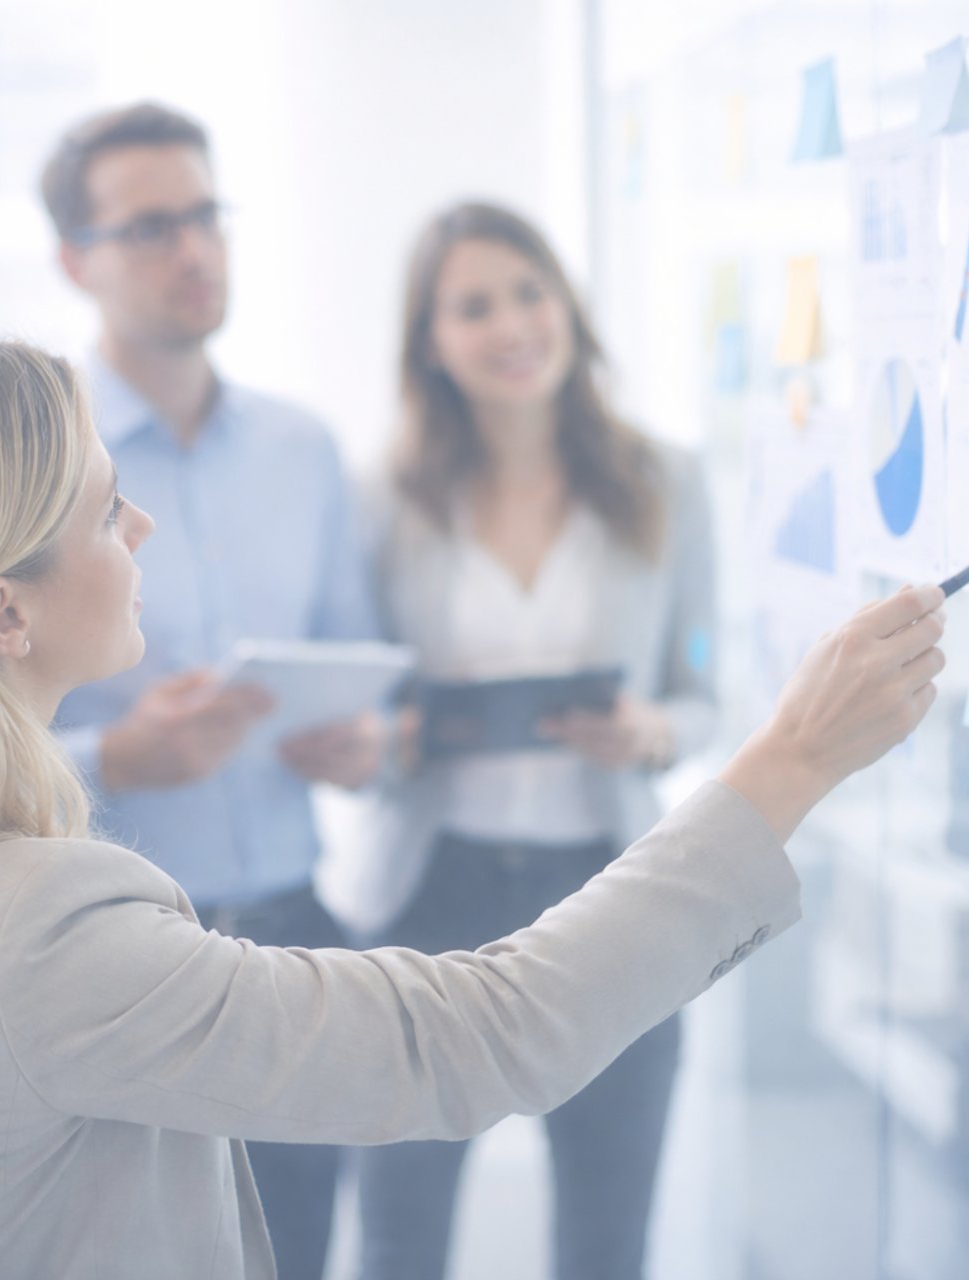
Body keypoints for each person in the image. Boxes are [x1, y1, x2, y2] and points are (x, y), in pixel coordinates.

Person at [0, 336, 944, 1279]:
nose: (142, 525)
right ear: (5, 610)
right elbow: (479, 1037)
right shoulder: (35, 929)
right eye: (106, 509)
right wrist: (791, 760)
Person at [35, 101, 381, 1278]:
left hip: (294, 936)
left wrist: (361, 741)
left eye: (205, 216)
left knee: (298, 1252)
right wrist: (114, 760)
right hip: (108, 948)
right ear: (75, 260)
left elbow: (358, 659)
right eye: (151, 228)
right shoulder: (31, 458)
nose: (193, 250)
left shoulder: (305, 448)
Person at [348, 200, 717, 1279]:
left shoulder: (666, 482)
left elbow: (706, 697)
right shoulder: (387, 497)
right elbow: (361, 713)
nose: (511, 323)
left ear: (567, 306)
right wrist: (396, 734)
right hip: (430, 894)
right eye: (473, 306)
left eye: (529, 291)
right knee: (398, 1233)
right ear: (431, 340)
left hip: (609, 890)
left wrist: (651, 729)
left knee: (608, 1234)